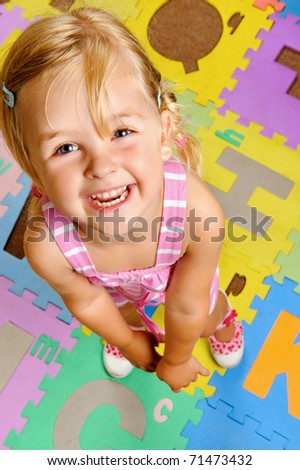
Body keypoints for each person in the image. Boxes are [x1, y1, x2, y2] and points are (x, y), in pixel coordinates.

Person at [0, 7, 243, 392]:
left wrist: (176, 360)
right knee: (122, 315)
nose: (101, 165)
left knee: (205, 313)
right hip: (116, 296)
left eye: (121, 131)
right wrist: (130, 343)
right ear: (34, 171)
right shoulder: (46, 246)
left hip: (187, 290)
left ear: (163, 131)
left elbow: (185, 304)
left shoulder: (198, 215)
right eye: (65, 147)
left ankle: (224, 320)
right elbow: (89, 302)